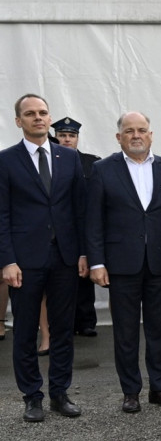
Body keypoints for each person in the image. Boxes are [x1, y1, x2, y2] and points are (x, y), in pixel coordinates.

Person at [0, 94, 88, 422]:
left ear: (49, 118)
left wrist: (82, 252)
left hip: (65, 257)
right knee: (25, 330)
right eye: (30, 114)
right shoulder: (6, 161)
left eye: (43, 113)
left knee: (64, 328)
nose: (38, 118)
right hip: (25, 260)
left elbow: (79, 209)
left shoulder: (69, 158)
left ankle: (60, 393)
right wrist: (7, 259)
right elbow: (2, 214)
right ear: (18, 121)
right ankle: (32, 396)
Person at [86, 112, 161, 412]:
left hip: (159, 263)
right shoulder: (102, 170)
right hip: (121, 263)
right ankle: (130, 392)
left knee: (159, 329)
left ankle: (160, 388)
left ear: (151, 135)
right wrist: (97, 262)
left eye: (142, 130)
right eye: (129, 131)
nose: (136, 135)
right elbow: (93, 222)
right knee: (125, 331)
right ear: (119, 137)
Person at [53, 116, 101, 337]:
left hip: (83, 225)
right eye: (62, 135)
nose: (66, 139)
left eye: (71, 136)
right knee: (60, 280)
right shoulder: (48, 160)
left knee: (84, 275)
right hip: (58, 226)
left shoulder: (92, 162)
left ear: (77, 138)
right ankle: (65, 323)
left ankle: (86, 320)